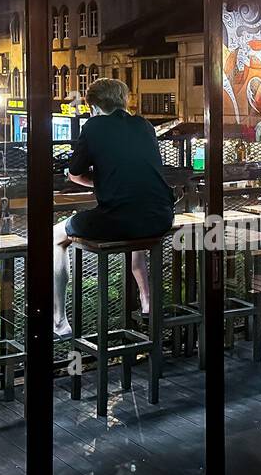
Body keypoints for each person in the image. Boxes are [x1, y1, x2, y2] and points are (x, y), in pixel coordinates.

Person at [53, 77, 174, 337]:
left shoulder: (94, 126)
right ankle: (147, 301)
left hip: (121, 220)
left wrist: (97, 180)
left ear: (94, 106)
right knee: (135, 229)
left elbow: (75, 173)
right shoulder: (144, 125)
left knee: (55, 236)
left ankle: (59, 320)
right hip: (161, 217)